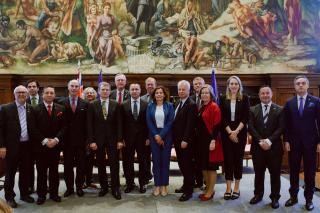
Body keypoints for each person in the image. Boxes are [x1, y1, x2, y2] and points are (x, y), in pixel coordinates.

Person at [283, 75, 320, 211]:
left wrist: (319, 142)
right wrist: (286, 140)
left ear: (307, 86)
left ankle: (309, 199)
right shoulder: (289, 103)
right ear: (294, 86)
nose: (300, 85)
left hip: (311, 143)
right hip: (294, 143)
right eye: (298, 83)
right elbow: (286, 124)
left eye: (303, 83)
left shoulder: (316, 101)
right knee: (293, 171)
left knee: (310, 172)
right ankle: (293, 197)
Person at [248, 86, 284, 209]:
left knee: (275, 174)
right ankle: (258, 195)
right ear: (259, 95)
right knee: (258, 173)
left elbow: (281, 128)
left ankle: (275, 197)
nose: (265, 95)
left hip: (274, 148)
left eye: (267, 93)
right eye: (262, 93)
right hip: (258, 148)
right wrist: (260, 141)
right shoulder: (252, 109)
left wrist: (269, 141)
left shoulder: (280, 110)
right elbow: (251, 128)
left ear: (271, 94)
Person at [0, 85, 35, 208]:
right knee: (10, 172)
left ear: (27, 95)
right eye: (18, 92)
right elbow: (0, 129)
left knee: (26, 172)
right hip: (11, 146)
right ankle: (9, 197)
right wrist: (2, 146)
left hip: (27, 146)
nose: (21, 94)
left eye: (23, 92)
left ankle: (24, 194)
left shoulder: (31, 109)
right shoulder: (5, 108)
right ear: (14, 94)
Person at [87, 82, 123, 200]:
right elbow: (90, 125)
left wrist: (119, 140)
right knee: (101, 164)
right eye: (103, 90)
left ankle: (115, 188)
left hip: (113, 140)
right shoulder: (92, 105)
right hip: (98, 141)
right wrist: (91, 141)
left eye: (107, 90)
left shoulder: (116, 104)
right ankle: (104, 187)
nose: (105, 91)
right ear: (99, 91)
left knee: (114, 164)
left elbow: (119, 124)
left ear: (110, 91)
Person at [32, 86, 66, 205]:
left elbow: (64, 127)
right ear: (42, 95)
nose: (50, 95)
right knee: (41, 172)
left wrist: (56, 139)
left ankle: (54, 194)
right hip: (41, 146)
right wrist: (46, 141)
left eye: (52, 93)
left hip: (55, 146)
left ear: (54, 95)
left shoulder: (61, 109)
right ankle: (41, 195)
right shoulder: (34, 109)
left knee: (54, 172)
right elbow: (33, 128)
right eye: (47, 93)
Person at [219, 75, 249, 200]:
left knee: (238, 160)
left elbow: (246, 116)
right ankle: (228, 187)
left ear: (239, 86)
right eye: (231, 84)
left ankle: (236, 187)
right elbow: (222, 117)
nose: (234, 86)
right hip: (226, 134)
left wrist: (236, 132)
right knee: (228, 161)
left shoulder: (245, 98)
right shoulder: (222, 98)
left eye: (236, 84)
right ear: (228, 86)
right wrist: (230, 132)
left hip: (240, 134)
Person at [58, 80, 89, 198]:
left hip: (81, 142)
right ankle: (69, 188)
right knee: (67, 166)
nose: (74, 88)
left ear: (79, 88)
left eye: (76, 86)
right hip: (66, 142)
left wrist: (88, 140)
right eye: (72, 86)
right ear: (68, 87)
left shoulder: (85, 104)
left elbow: (87, 124)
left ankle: (79, 187)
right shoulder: (60, 102)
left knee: (81, 166)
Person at [146, 86, 174, 196]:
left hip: (166, 136)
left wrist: (161, 135)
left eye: (161, 93)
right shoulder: (150, 106)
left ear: (164, 95)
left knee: (165, 162)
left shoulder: (170, 106)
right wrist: (156, 135)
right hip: (154, 136)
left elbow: (170, 122)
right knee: (156, 162)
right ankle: (157, 185)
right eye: (157, 93)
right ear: (154, 95)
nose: (159, 94)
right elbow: (149, 122)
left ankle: (164, 186)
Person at [121, 83, 149, 194]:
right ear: (129, 91)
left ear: (140, 90)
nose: (134, 91)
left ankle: (143, 183)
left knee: (143, 162)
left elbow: (149, 123)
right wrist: (120, 138)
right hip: (127, 139)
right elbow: (121, 123)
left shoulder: (147, 104)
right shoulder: (123, 105)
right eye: (132, 89)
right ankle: (130, 183)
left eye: (136, 89)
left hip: (142, 139)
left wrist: (148, 137)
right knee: (127, 162)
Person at [172, 80, 197, 201]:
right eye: (179, 89)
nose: (181, 91)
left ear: (188, 90)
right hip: (177, 140)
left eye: (183, 89)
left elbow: (190, 125)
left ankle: (189, 191)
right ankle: (185, 185)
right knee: (182, 164)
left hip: (185, 141)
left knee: (187, 166)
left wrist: (185, 139)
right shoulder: (177, 102)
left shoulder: (191, 104)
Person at [196, 85, 221, 201]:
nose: (204, 95)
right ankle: (208, 189)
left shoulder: (214, 106)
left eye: (207, 93)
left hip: (211, 141)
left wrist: (213, 140)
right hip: (201, 142)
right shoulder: (202, 106)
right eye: (202, 93)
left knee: (211, 167)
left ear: (211, 94)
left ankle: (210, 191)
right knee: (204, 166)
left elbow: (217, 125)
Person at [26, 79, 43, 194]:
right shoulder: (23, 100)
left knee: (42, 166)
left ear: (38, 88)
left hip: (43, 139)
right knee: (28, 165)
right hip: (28, 140)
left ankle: (43, 187)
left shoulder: (45, 99)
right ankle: (30, 186)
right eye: (29, 86)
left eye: (34, 86)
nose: (32, 88)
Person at [141, 77, 157, 181]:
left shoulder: (160, 97)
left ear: (155, 85)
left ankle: (157, 177)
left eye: (152, 84)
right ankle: (146, 176)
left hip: (157, 133)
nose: (150, 86)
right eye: (148, 84)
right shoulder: (141, 98)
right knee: (145, 156)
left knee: (156, 157)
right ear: (145, 86)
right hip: (145, 133)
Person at [190, 76, 205, 188]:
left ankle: (205, 181)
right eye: (195, 84)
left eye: (200, 84)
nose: (197, 86)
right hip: (192, 135)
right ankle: (197, 180)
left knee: (203, 159)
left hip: (204, 135)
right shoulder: (190, 98)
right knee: (193, 159)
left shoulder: (208, 98)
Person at [82, 87, 98, 189]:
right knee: (83, 160)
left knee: (91, 160)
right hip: (83, 137)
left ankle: (89, 181)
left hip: (95, 137)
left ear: (95, 94)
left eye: (91, 93)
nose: (89, 94)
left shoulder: (97, 104)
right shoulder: (82, 104)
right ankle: (82, 181)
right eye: (87, 93)